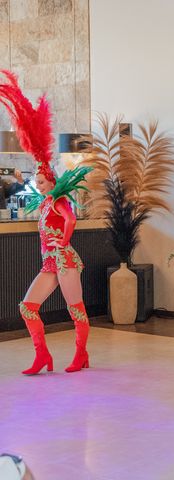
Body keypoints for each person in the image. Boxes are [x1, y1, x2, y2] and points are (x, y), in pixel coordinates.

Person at [0, 70, 92, 375]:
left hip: (64, 261)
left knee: (75, 309)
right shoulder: (45, 201)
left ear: (52, 179)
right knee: (27, 307)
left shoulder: (60, 199)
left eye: (42, 180)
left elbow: (71, 219)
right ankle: (43, 356)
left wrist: (63, 241)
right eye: (36, 180)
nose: (38, 184)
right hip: (49, 263)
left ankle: (81, 354)